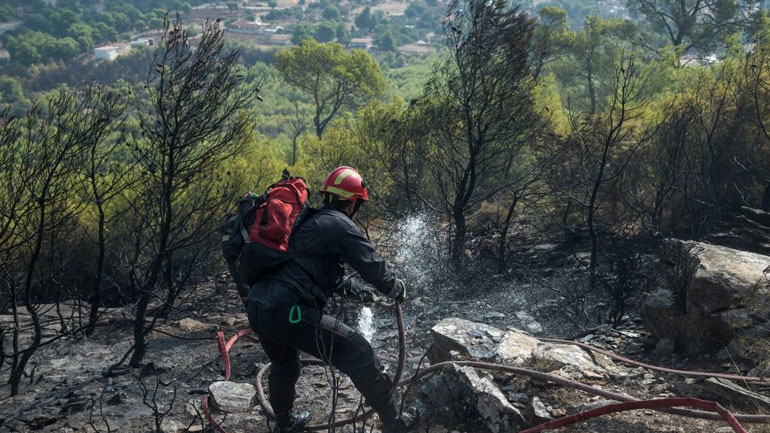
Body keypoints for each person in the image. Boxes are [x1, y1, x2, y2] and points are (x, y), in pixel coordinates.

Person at [247, 166, 411, 433]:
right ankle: (395, 424)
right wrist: (393, 287)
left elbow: (318, 273)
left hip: (259, 308)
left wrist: (362, 292)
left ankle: (284, 426)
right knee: (360, 352)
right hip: (290, 312)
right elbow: (370, 262)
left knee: (284, 364)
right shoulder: (338, 224)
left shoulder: (308, 224)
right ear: (353, 203)